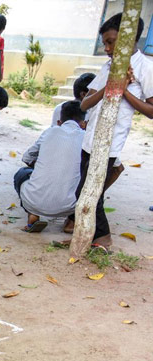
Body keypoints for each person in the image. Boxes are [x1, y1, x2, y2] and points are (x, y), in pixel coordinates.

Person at [66, 13, 153, 247]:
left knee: (89, 193)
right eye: (104, 42)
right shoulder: (108, 66)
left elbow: (152, 110)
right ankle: (90, 235)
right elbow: (84, 104)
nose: (106, 48)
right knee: (86, 192)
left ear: (128, 39)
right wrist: (110, 85)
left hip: (109, 143)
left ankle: (102, 238)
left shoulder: (145, 68)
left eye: (111, 42)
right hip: (89, 139)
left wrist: (124, 91)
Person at [14, 101, 86, 233]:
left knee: (21, 173)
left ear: (59, 122)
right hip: (70, 206)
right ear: (83, 124)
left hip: (33, 202)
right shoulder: (86, 138)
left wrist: (43, 167)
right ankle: (72, 221)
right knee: (82, 178)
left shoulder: (49, 132)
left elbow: (26, 158)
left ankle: (32, 215)